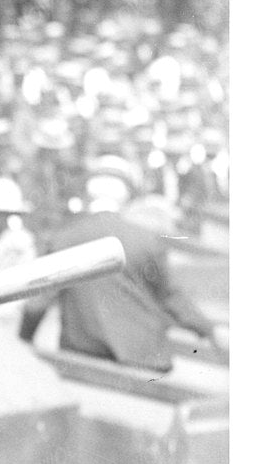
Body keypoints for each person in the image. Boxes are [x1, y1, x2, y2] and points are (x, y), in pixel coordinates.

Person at [18, 158, 224, 372]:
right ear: (126, 196)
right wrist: (208, 330)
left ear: (88, 193)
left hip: (85, 361)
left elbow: (36, 305)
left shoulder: (63, 239)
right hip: (147, 361)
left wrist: (23, 342)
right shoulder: (147, 241)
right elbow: (170, 298)